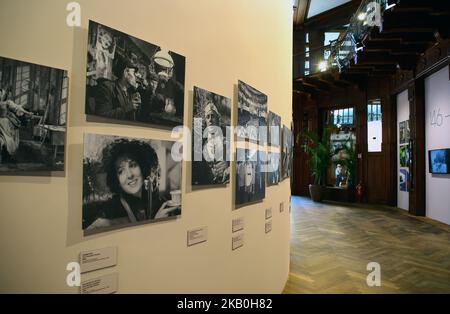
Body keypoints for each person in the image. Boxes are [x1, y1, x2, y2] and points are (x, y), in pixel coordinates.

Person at [84, 139, 180, 231]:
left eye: (133, 165)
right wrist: (155, 224)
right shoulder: (109, 213)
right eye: (121, 171)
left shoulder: (157, 200)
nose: (129, 175)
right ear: (115, 179)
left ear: (142, 167)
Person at [93, 55, 140, 120]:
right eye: (134, 73)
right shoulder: (107, 87)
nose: (137, 76)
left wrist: (137, 107)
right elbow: (101, 116)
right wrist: (126, 109)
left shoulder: (130, 92)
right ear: (125, 72)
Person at [0, 88, 34, 163]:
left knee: (6, 140)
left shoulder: (7, 103)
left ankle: (6, 155)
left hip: (3, 124)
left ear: (3, 94)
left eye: (0, 93)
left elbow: (18, 108)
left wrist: (28, 113)